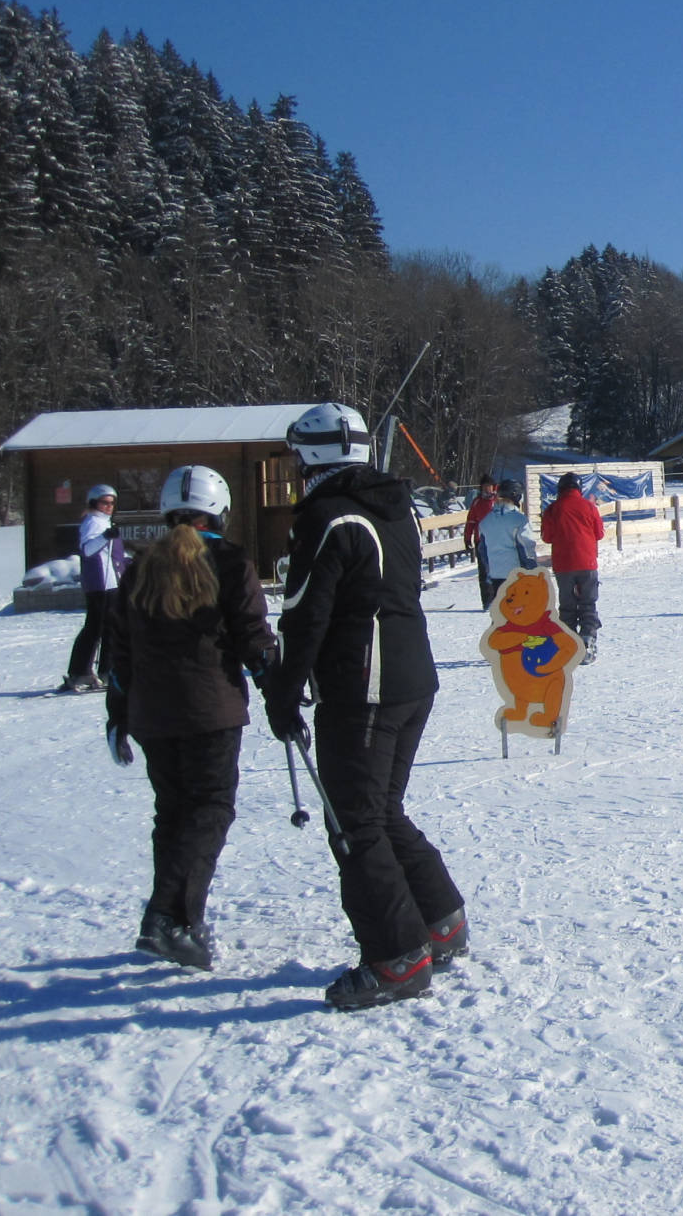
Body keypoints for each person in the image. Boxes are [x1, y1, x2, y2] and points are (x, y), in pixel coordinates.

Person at [263, 402, 465, 1011]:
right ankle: (439, 920)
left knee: (355, 822)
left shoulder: (327, 516)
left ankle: (396, 957)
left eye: (298, 456)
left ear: (313, 456)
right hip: (411, 678)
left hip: (367, 686)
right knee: (381, 809)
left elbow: (304, 614)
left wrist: (282, 690)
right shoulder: (392, 503)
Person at [104, 465, 275, 970]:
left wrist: (117, 713)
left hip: (153, 712)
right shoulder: (227, 560)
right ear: (218, 510)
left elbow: (119, 652)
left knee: (174, 813)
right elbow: (251, 633)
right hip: (209, 709)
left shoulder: (140, 566)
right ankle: (169, 917)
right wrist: (277, 684)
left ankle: (179, 917)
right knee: (209, 809)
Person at [62, 484, 126, 692]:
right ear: (94, 503)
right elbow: (87, 550)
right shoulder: (93, 522)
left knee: (109, 627)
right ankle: (80, 671)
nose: (109, 507)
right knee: (95, 627)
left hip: (111, 582)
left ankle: (107, 670)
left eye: (112, 503)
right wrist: (105, 537)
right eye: (104, 502)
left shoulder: (104, 522)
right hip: (99, 583)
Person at [540, 472, 605, 662]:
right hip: (587, 562)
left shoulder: (552, 509)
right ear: (579, 488)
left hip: (564, 564)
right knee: (588, 603)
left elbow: (547, 537)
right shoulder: (589, 507)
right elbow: (599, 533)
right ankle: (588, 642)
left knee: (567, 605)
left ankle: (568, 644)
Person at [475, 478, 539, 606]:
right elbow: (525, 548)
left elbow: (483, 550)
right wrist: (532, 571)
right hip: (516, 575)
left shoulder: (486, 521)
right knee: (520, 614)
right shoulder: (519, 520)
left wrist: (489, 570)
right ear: (516, 495)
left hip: (495, 575)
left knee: (501, 614)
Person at [463, 476, 500, 608]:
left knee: (499, 570)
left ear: (493, 487)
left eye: (489, 486)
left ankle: (499, 599)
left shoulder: (498, 501)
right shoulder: (477, 502)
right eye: (484, 486)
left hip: (498, 541)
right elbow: (471, 521)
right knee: (484, 572)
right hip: (481, 541)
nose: (486, 489)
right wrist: (467, 537)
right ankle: (487, 601)